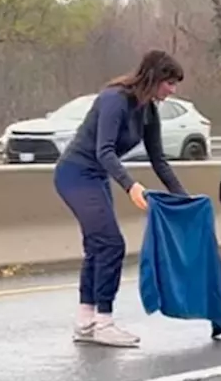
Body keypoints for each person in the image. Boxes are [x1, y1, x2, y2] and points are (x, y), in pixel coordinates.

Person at [54, 49, 188, 348]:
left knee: (96, 247)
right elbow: (105, 150)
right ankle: (104, 322)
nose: (172, 90)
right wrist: (131, 186)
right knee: (111, 244)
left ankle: (86, 321)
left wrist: (185, 199)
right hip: (75, 174)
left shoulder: (149, 111)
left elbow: (159, 161)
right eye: (169, 83)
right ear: (154, 77)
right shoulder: (114, 99)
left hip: (97, 176)